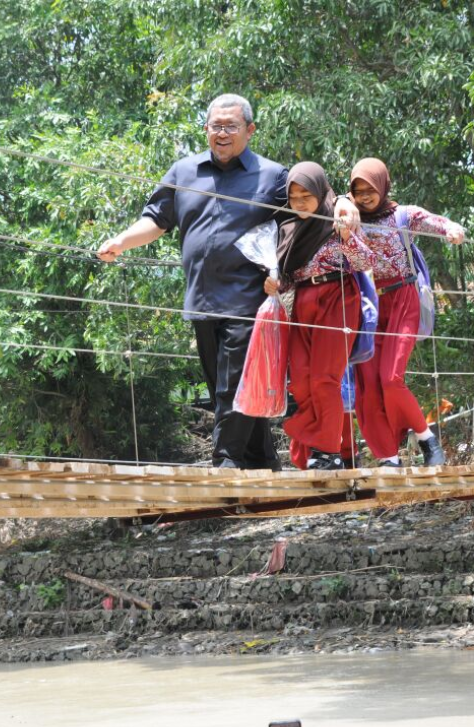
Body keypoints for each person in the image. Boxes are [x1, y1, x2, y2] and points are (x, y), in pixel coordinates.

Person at [98, 94, 359, 469]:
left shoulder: (271, 176)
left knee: (233, 383)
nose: (222, 133)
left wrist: (346, 202)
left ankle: (226, 460)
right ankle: (262, 462)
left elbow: (313, 198)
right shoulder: (184, 172)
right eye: (215, 126)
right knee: (223, 381)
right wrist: (121, 241)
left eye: (231, 126)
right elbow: (157, 218)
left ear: (249, 131)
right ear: (206, 129)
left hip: (249, 299)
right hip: (201, 299)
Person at [346, 157, 464, 467]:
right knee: (367, 385)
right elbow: (355, 259)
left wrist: (451, 227)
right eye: (358, 190)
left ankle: (427, 440)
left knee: (391, 378)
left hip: (403, 299)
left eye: (369, 188)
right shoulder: (350, 218)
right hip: (372, 306)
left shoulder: (402, 215)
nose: (365, 196)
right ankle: (388, 457)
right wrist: (345, 221)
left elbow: (433, 221)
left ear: (382, 186)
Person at [264, 162, 374, 470]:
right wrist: (276, 283)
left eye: (306, 195)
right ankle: (315, 446)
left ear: (320, 192)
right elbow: (289, 277)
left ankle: (329, 452)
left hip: (337, 299)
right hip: (302, 303)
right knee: (299, 380)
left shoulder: (337, 218)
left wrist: (347, 236)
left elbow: (366, 261)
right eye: (294, 196)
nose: (299, 202)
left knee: (325, 379)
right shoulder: (288, 228)